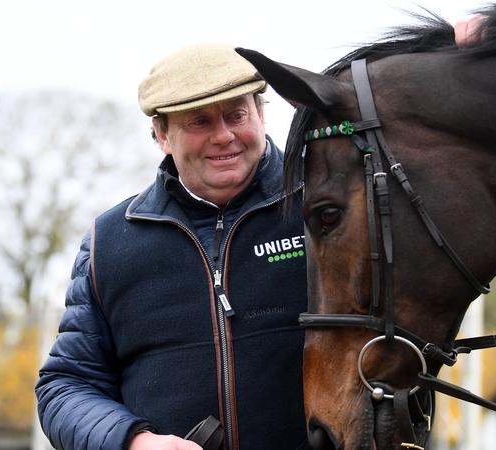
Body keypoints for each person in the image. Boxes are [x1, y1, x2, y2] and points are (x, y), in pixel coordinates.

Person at [35, 43, 309, 449]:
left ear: (261, 114)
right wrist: (133, 442)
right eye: (199, 121)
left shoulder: (326, 209)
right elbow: (66, 385)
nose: (224, 136)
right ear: (162, 134)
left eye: (237, 115)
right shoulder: (107, 242)